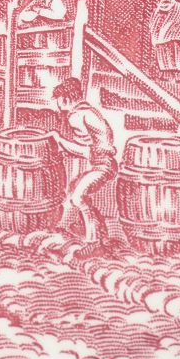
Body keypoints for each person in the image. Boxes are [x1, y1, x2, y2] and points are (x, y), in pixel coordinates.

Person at [50, 76, 117, 248]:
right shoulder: (90, 112)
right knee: (75, 187)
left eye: (59, 101)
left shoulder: (76, 115)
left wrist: (59, 141)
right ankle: (94, 229)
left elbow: (86, 151)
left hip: (103, 165)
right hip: (104, 162)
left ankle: (93, 242)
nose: (58, 106)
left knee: (78, 197)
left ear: (66, 99)